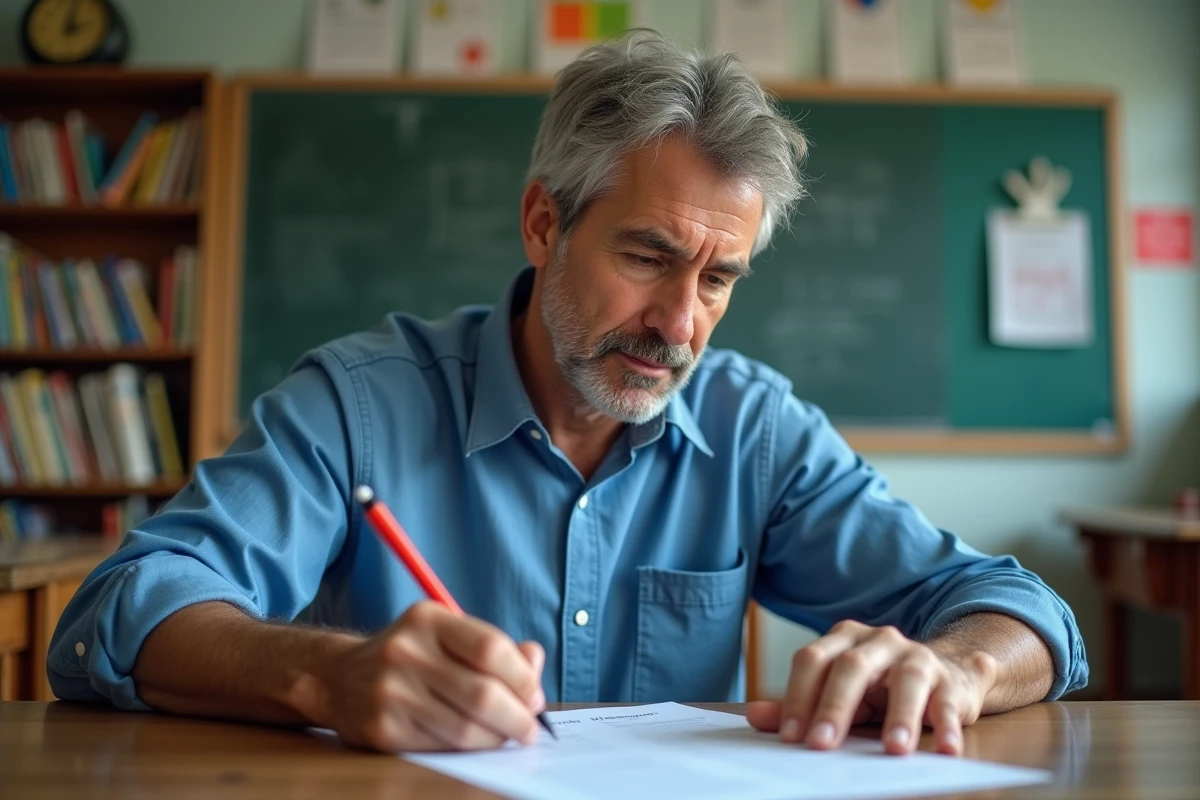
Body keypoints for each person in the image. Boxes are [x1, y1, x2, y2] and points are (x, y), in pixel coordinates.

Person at [49, 30, 1087, 756]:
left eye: (717, 279)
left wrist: (958, 669)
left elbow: (1025, 611)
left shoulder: (755, 430)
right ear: (545, 225)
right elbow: (118, 610)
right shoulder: (357, 407)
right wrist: (329, 676)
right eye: (647, 255)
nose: (681, 323)